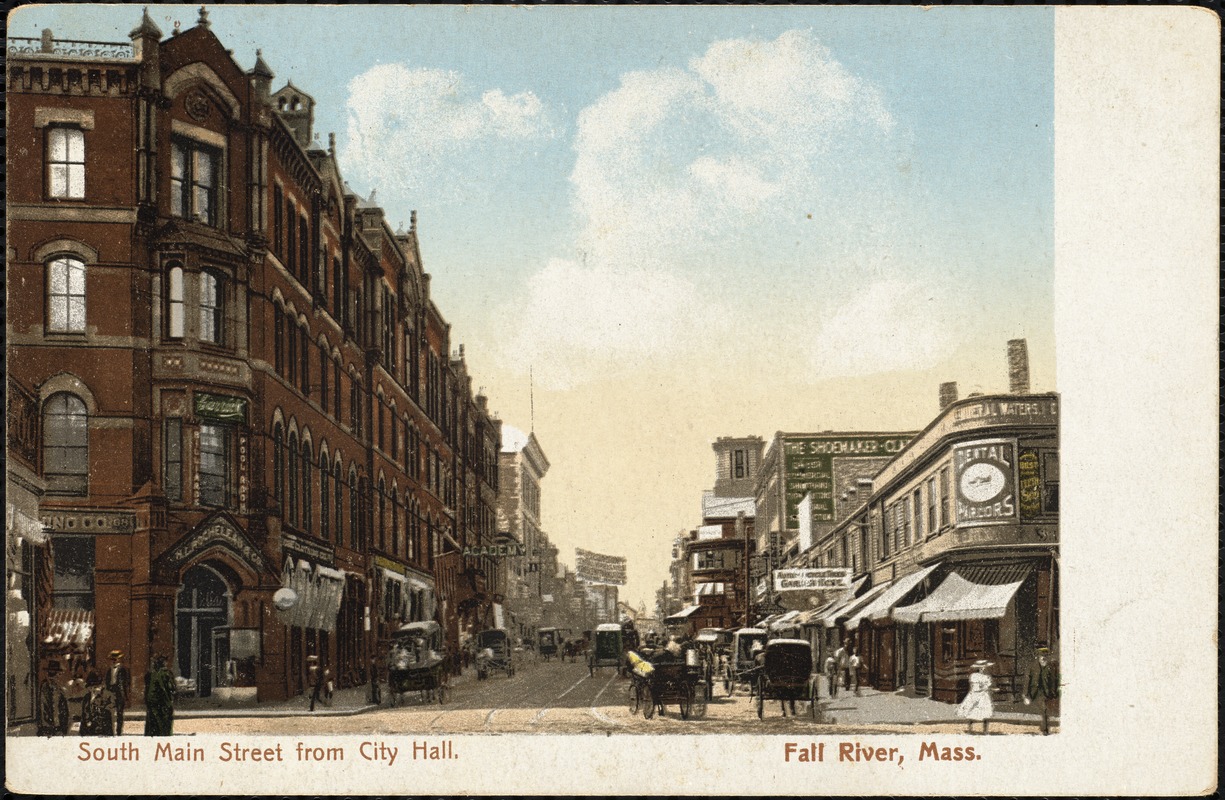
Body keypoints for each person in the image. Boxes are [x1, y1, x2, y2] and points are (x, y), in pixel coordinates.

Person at [1024, 647, 1060, 735]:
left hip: (1047, 693)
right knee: (1044, 710)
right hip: (1036, 692)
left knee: (1046, 711)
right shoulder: (1032, 666)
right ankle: (1045, 729)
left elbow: (1053, 681)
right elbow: (1027, 681)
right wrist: (1025, 694)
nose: (1043, 658)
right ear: (1038, 657)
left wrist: (1054, 692)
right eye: (1041, 656)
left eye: (1045, 656)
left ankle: (1045, 728)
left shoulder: (1050, 667)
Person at [956, 660, 995, 734]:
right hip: (982, 695)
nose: (985, 669)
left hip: (973, 694)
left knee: (971, 711)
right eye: (984, 667)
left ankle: (971, 730)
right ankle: (985, 731)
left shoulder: (973, 676)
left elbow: (972, 687)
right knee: (985, 712)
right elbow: (984, 687)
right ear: (982, 668)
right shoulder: (986, 677)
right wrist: (991, 689)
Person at [143, 654, 176, 736]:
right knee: (164, 720)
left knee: (153, 721)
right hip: (163, 700)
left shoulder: (150, 674)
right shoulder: (167, 673)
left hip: (152, 700)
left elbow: (147, 687)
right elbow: (172, 687)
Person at [38, 660, 70, 736]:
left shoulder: (56, 686)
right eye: (59, 673)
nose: (60, 675)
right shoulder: (47, 686)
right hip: (51, 728)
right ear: (55, 674)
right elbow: (46, 707)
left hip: (57, 726)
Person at [104, 650, 131, 736]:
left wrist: (126, 696)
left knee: (119, 713)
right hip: (111, 692)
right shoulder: (109, 670)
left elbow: (126, 683)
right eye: (112, 659)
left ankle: (119, 732)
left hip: (120, 692)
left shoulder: (124, 669)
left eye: (115, 659)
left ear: (119, 660)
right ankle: (110, 731)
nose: (113, 661)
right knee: (109, 712)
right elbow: (107, 682)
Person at [80, 670, 115, 736]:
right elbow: (84, 712)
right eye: (91, 687)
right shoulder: (87, 697)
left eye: (96, 687)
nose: (94, 689)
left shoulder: (107, 696)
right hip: (87, 730)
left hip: (101, 729)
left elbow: (108, 711)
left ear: (102, 686)